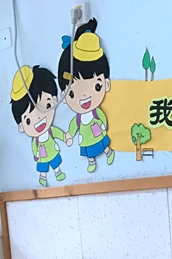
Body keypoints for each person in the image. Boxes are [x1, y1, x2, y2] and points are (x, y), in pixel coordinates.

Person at [57, 18, 115, 173]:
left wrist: (103, 125)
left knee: (103, 144)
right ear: (64, 96)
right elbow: (73, 126)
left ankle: (108, 152)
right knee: (88, 151)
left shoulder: (96, 112)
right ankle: (91, 162)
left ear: (106, 84)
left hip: (97, 132)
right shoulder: (78, 119)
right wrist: (69, 135)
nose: (83, 95)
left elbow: (101, 116)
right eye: (71, 93)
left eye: (97, 86)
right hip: (86, 138)